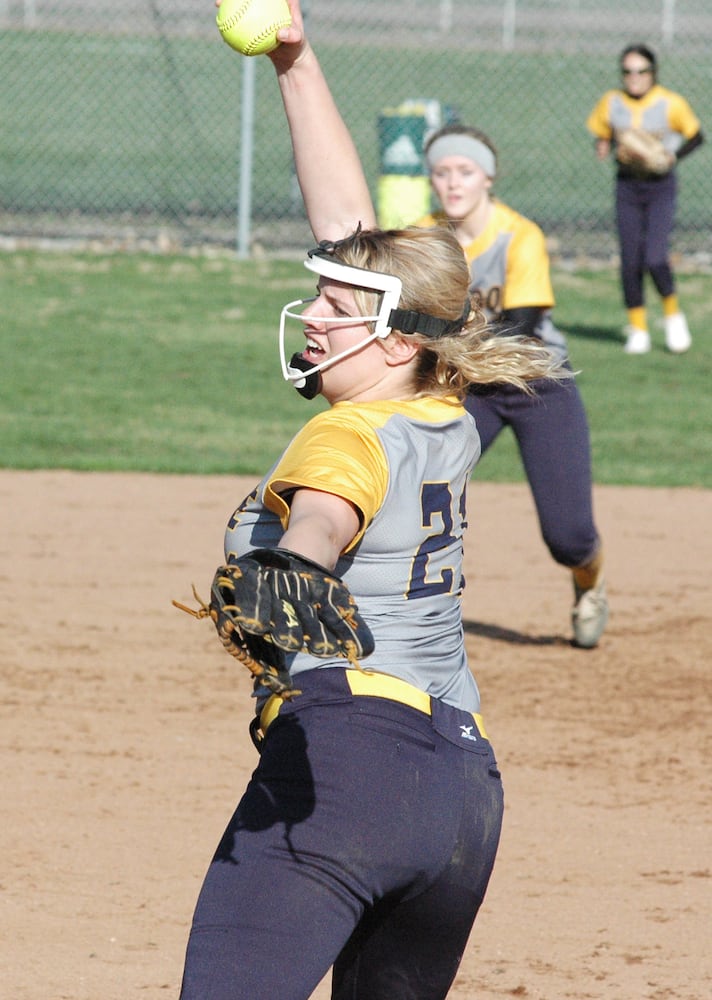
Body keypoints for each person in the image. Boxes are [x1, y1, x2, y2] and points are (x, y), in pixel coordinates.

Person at [177, 3, 566, 998]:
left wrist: (289, 577)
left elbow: (321, 522)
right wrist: (295, 63)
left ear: (394, 338)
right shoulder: (443, 402)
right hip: (460, 797)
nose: (310, 315)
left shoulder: (346, 432)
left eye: (334, 309)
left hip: (351, 770)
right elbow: (355, 239)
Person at [416, 123, 609, 650]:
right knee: (410, 485)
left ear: (488, 178)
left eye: (465, 172)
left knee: (568, 537)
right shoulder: (422, 237)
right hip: (468, 387)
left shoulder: (518, 235)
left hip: (535, 382)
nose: (453, 183)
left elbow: (519, 325)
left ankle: (588, 584)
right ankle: (395, 604)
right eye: (441, 172)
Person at [586, 43, 704, 355]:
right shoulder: (612, 102)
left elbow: (697, 135)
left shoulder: (669, 103)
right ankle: (638, 329)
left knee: (655, 256)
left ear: (653, 72)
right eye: (628, 71)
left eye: (641, 71)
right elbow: (604, 133)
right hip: (627, 185)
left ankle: (672, 314)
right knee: (630, 260)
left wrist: (671, 155)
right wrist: (603, 144)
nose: (634, 77)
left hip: (660, 186)